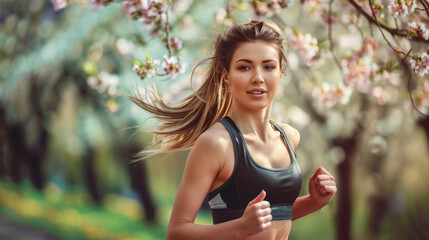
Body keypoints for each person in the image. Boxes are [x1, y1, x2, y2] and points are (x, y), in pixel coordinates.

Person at [130, 19, 336, 240]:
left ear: (280, 72)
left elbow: (273, 216)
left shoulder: (289, 137)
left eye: (268, 67)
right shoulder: (215, 144)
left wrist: (314, 202)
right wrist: (240, 228)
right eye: (245, 67)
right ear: (226, 75)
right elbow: (177, 232)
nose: (258, 77)